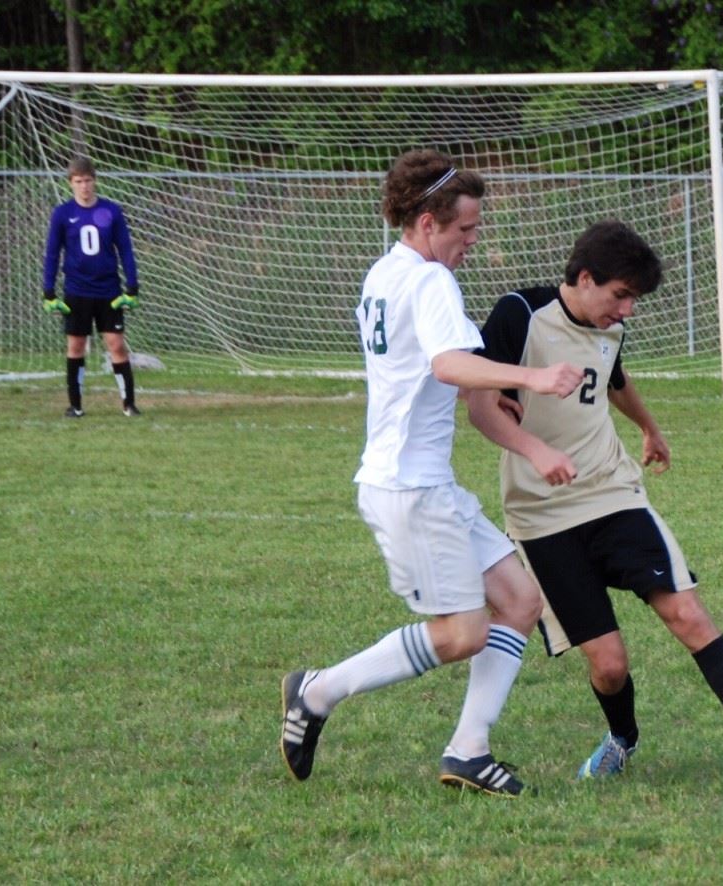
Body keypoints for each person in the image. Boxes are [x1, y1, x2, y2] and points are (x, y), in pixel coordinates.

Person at [465, 220, 723, 789]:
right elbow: (479, 406)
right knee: (609, 665)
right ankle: (622, 739)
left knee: (689, 614)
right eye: (620, 295)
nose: (626, 310)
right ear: (584, 278)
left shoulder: (610, 328)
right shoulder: (519, 315)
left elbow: (614, 380)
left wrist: (650, 428)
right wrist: (535, 449)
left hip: (611, 493)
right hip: (541, 515)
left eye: (633, 299)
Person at [279, 149, 584, 796]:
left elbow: (435, 367)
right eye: (464, 230)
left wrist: (497, 398)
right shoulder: (430, 281)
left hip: (425, 484)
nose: (473, 241)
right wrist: (531, 377)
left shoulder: (385, 272)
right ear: (426, 222)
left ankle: (470, 749)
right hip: (409, 489)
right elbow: (447, 364)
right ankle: (317, 691)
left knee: (520, 602)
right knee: (462, 634)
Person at [42, 156, 142, 418]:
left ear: (94, 181)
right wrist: (48, 290)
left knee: (116, 345)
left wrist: (132, 286)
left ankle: (128, 404)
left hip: (108, 290)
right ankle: (75, 406)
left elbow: (126, 250)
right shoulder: (62, 214)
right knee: (75, 346)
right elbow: (52, 253)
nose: (84, 186)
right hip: (77, 290)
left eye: (88, 180)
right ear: (70, 184)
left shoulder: (111, 211)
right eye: (78, 182)